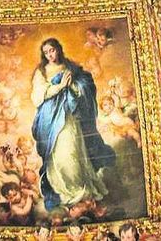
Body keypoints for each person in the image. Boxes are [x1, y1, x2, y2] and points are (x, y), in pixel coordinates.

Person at [32, 39, 116, 220]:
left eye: (52, 50)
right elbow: (37, 96)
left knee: (73, 154)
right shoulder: (41, 72)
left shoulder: (71, 68)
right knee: (59, 157)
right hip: (51, 121)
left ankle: (80, 193)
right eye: (46, 52)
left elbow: (85, 87)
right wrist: (59, 87)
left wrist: (73, 87)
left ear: (58, 50)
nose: (50, 55)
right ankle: (66, 193)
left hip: (69, 118)